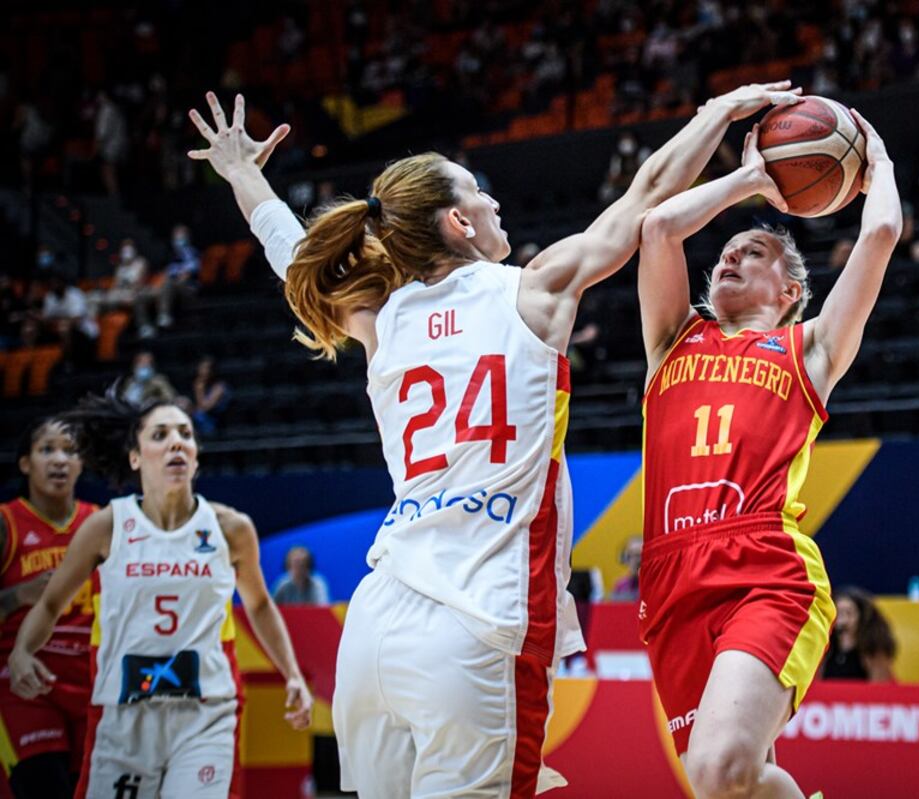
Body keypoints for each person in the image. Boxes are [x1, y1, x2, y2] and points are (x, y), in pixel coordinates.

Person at [187, 82, 803, 798]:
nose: (495, 201)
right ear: (459, 221)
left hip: (377, 624)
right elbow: (646, 197)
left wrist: (243, 174)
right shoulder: (532, 292)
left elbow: (293, 255)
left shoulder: (380, 317)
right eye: (480, 193)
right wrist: (717, 119)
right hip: (476, 624)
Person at [635, 111, 901, 798]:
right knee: (727, 783)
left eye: (753, 251)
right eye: (726, 250)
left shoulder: (808, 348)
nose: (729, 254)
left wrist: (877, 160)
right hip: (671, 579)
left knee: (719, 766)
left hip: (764, 568)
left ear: (789, 293)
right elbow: (659, 227)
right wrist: (748, 178)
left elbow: (879, 232)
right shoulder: (672, 340)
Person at [7, 394, 312, 798]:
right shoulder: (107, 526)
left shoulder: (230, 528)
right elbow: (50, 602)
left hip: (206, 711)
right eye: (160, 434)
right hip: (123, 714)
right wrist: (23, 650)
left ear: (197, 456)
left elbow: (258, 604)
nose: (176, 442)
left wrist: (292, 674)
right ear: (135, 457)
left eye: (185, 434)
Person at [0, 419, 98, 799]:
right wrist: (16, 597)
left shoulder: (101, 522)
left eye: (70, 451)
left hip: (91, 685)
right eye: (47, 450)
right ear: (26, 463)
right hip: (23, 686)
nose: (59, 460)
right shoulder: (7, 523)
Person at [821, 587, 896, 682]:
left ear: (862, 617)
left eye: (848, 613)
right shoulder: (826, 648)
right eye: (838, 613)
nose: (842, 620)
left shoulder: (874, 650)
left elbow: (879, 687)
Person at [609, 535, 642, 601]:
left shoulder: (656, 585)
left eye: (640, 555)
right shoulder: (620, 586)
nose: (637, 560)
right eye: (633, 555)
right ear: (625, 558)